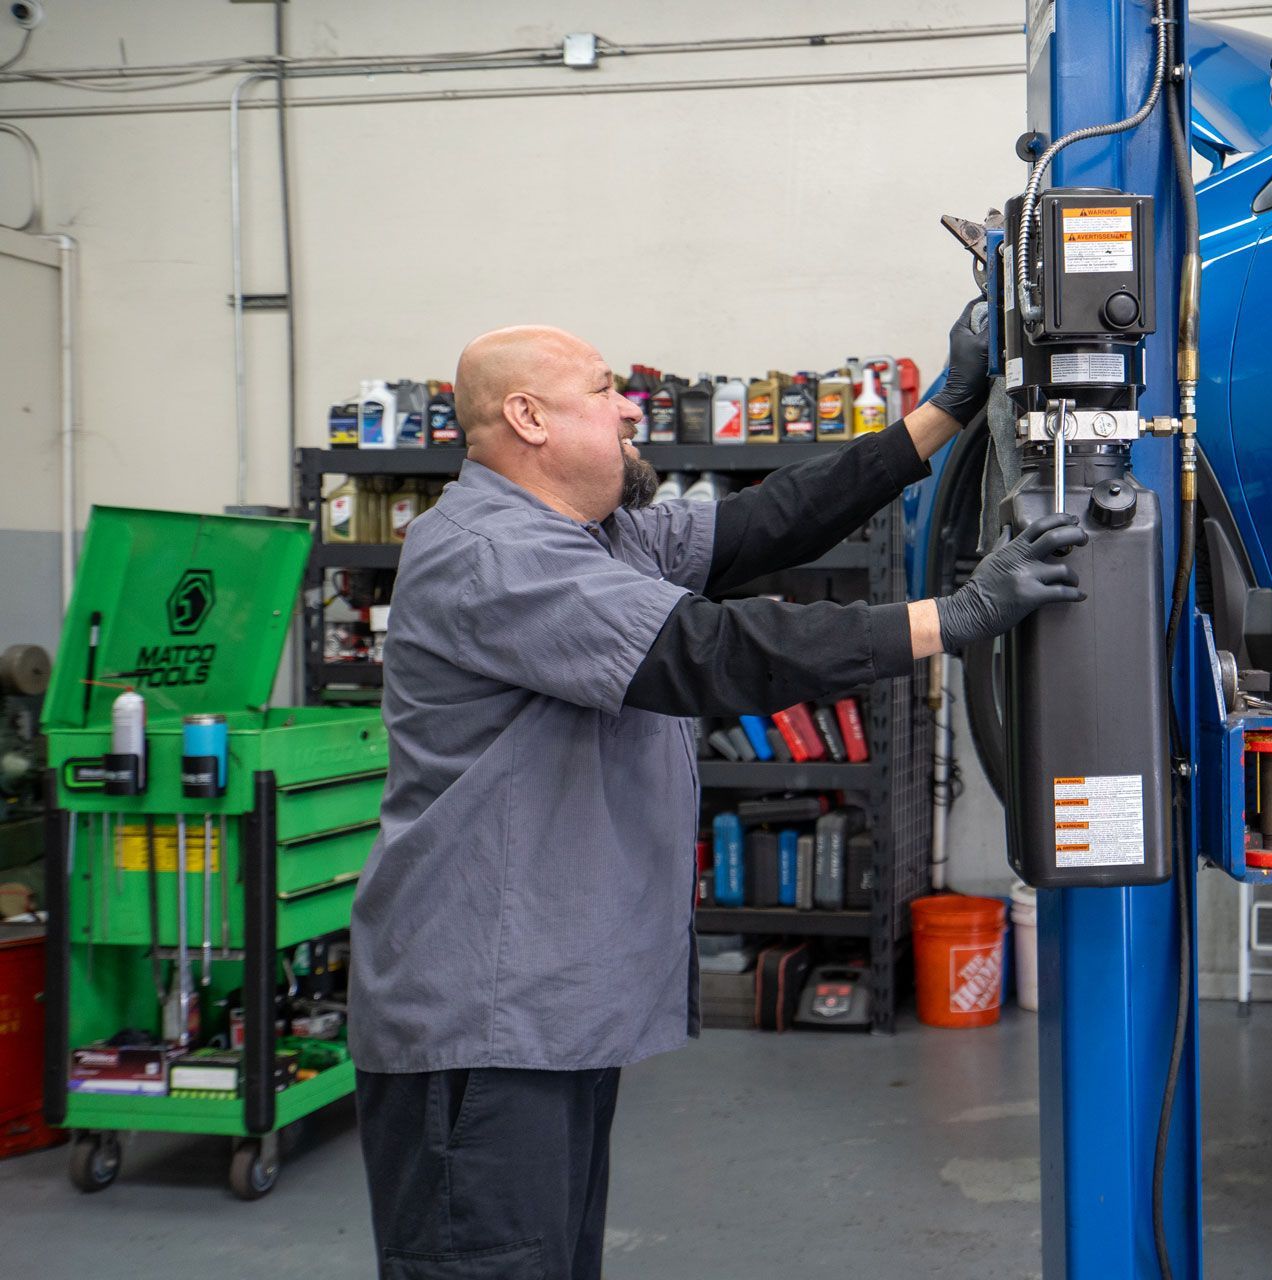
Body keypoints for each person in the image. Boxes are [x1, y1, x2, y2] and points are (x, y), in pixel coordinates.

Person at [348, 297, 1085, 1279]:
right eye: (605, 391)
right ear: (529, 418)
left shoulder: (593, 532)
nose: (630, 411)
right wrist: (951, 617)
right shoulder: (495, 552)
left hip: (540, 1014)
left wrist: (943, 410)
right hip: (479, 1022)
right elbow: (706, 651)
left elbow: (760, 524)